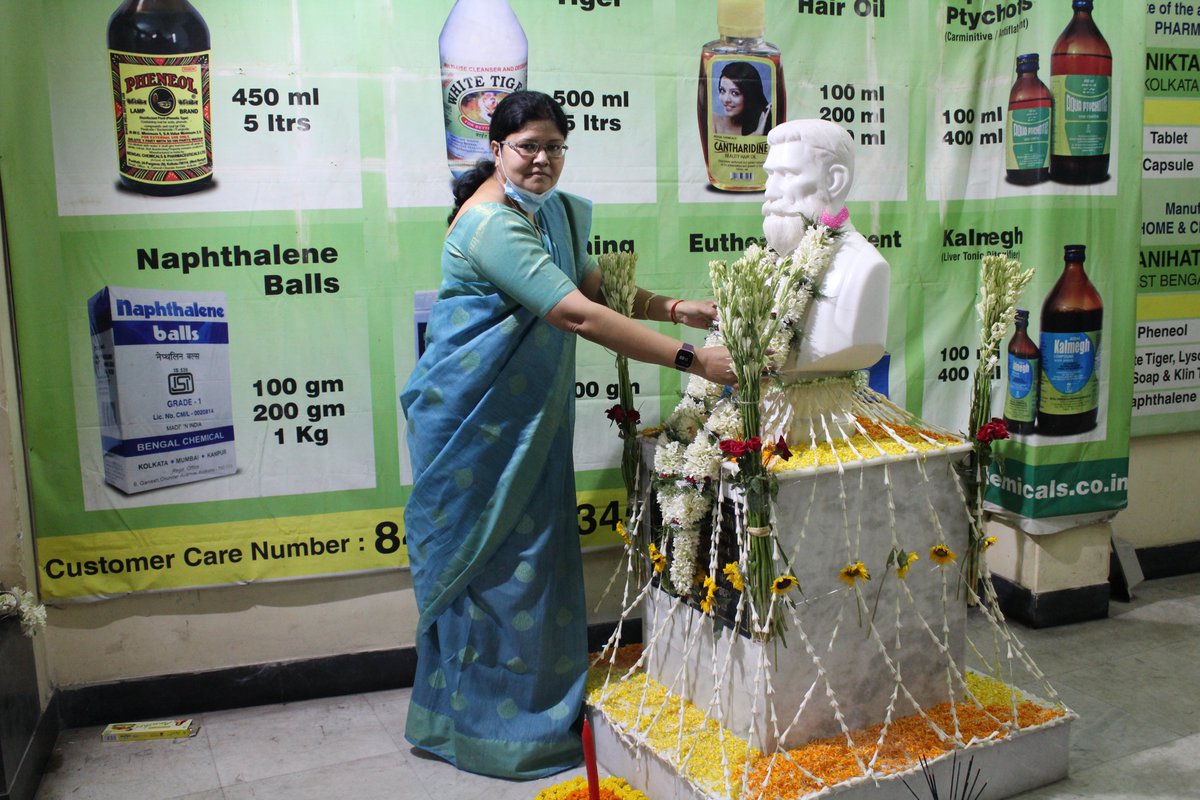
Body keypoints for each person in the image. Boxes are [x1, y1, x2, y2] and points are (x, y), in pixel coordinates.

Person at [400, 90, 733, 780]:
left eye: (554, 146)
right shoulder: (492, 224)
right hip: (476, 425)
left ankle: (537, 719)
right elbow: (576, 314)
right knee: (490, 574)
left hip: (525, 419)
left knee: (536, 562)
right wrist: (692, 358)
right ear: (496, 150)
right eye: (528, 147)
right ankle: (485, 732)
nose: (543, 159)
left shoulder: (552, 212)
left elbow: (593, 284)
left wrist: (675, 307)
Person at [760, 119, 890, 377]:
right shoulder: (772, 262)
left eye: (787, 174)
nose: (769, 191)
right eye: (769, 175)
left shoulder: (864, 267)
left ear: (834, 181)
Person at [713, 61, 772, 136]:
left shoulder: (760, 124)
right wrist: (757, 134)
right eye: (722, 90)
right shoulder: (713, 120)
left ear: (749, 96)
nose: (726, 99)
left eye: (735, 93)